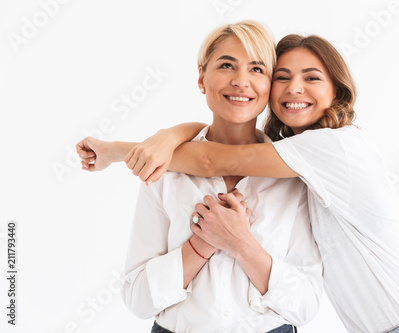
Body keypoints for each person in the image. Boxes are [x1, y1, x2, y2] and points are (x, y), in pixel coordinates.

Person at [78, 33, 399, 333]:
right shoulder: (294, 164)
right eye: (283, 76)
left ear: (336, 90)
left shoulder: (331, 150)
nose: (294, 88)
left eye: (311, 77)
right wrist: (173, 136)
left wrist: (118, 149)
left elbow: (212, 158)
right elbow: (137, 296)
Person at [77, 21, 323, 333]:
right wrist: (202, 244)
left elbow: (306, 305)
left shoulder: (294, 179)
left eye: (257, 69)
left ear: (271, 85)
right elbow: (138, 299)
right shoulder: (164, 171)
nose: (240, 81)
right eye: (226, 65)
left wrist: (240, 243)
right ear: (201, 77)